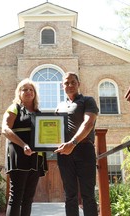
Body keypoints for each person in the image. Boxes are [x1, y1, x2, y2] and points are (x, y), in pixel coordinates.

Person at [55, 72, 99, 216]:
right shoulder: (59, 107)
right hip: (64, 154)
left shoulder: (87, 101)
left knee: (88, 195)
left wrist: (73, 143)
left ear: (78, 84)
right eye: (67, 83)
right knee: (70, 195)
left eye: (73, 82)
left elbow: (89, 123)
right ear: (63, 86)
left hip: (84, 149)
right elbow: (53, 131)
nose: (70, 85)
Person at [2, 78, 48, 216]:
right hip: (19, 155)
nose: (28, 92)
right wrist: (23, 145)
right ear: (19, 93)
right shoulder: (14, 108)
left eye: (31, 89)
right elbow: (5, 129)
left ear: (34, 93)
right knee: (16, 197)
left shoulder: (39, 113)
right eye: (24, 89)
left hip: (36, 158)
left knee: (28, 198)